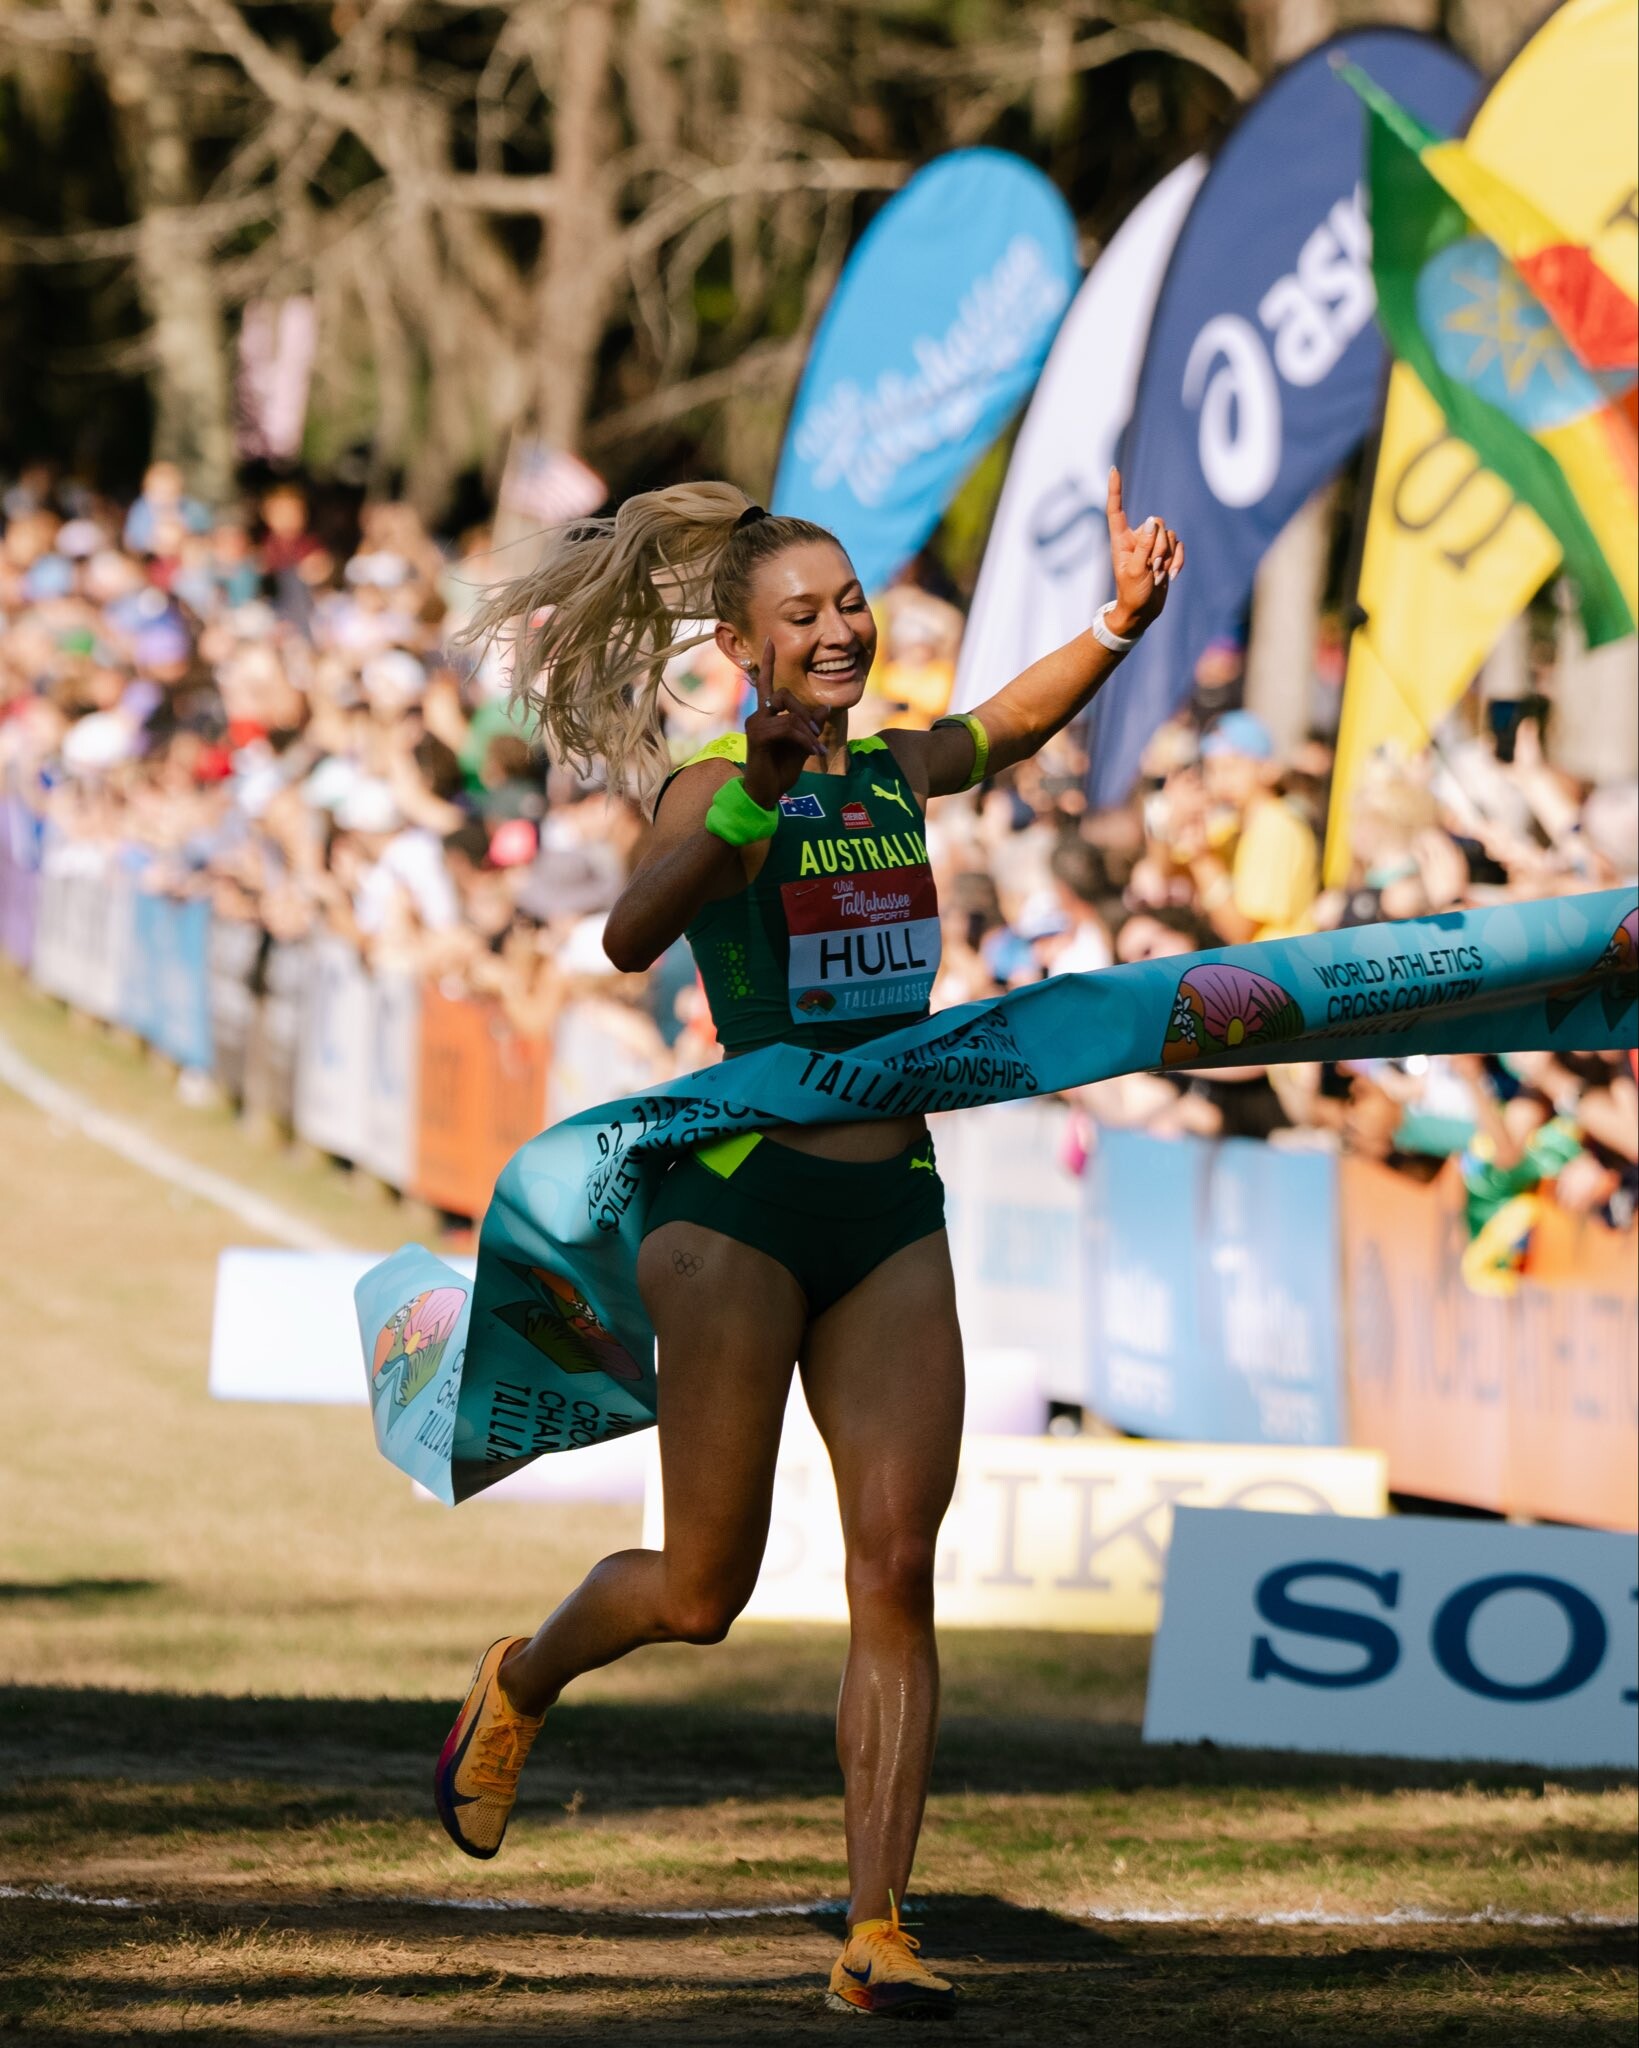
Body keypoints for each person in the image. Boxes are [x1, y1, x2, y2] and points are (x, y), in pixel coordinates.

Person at [426, 470, 1185, 2017]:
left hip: (889, 1205)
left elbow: (1007, 727)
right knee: (702, 1592)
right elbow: (631, 934)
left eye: (851, 605)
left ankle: (876, 1928)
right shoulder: (715, 785)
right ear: (741, 645)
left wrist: (1117, 624)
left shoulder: (897, 770)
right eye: (805, 615)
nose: (841, 631)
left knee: (894, 1565)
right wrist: (755, 799)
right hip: (736, 1210)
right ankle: (523, 1675)